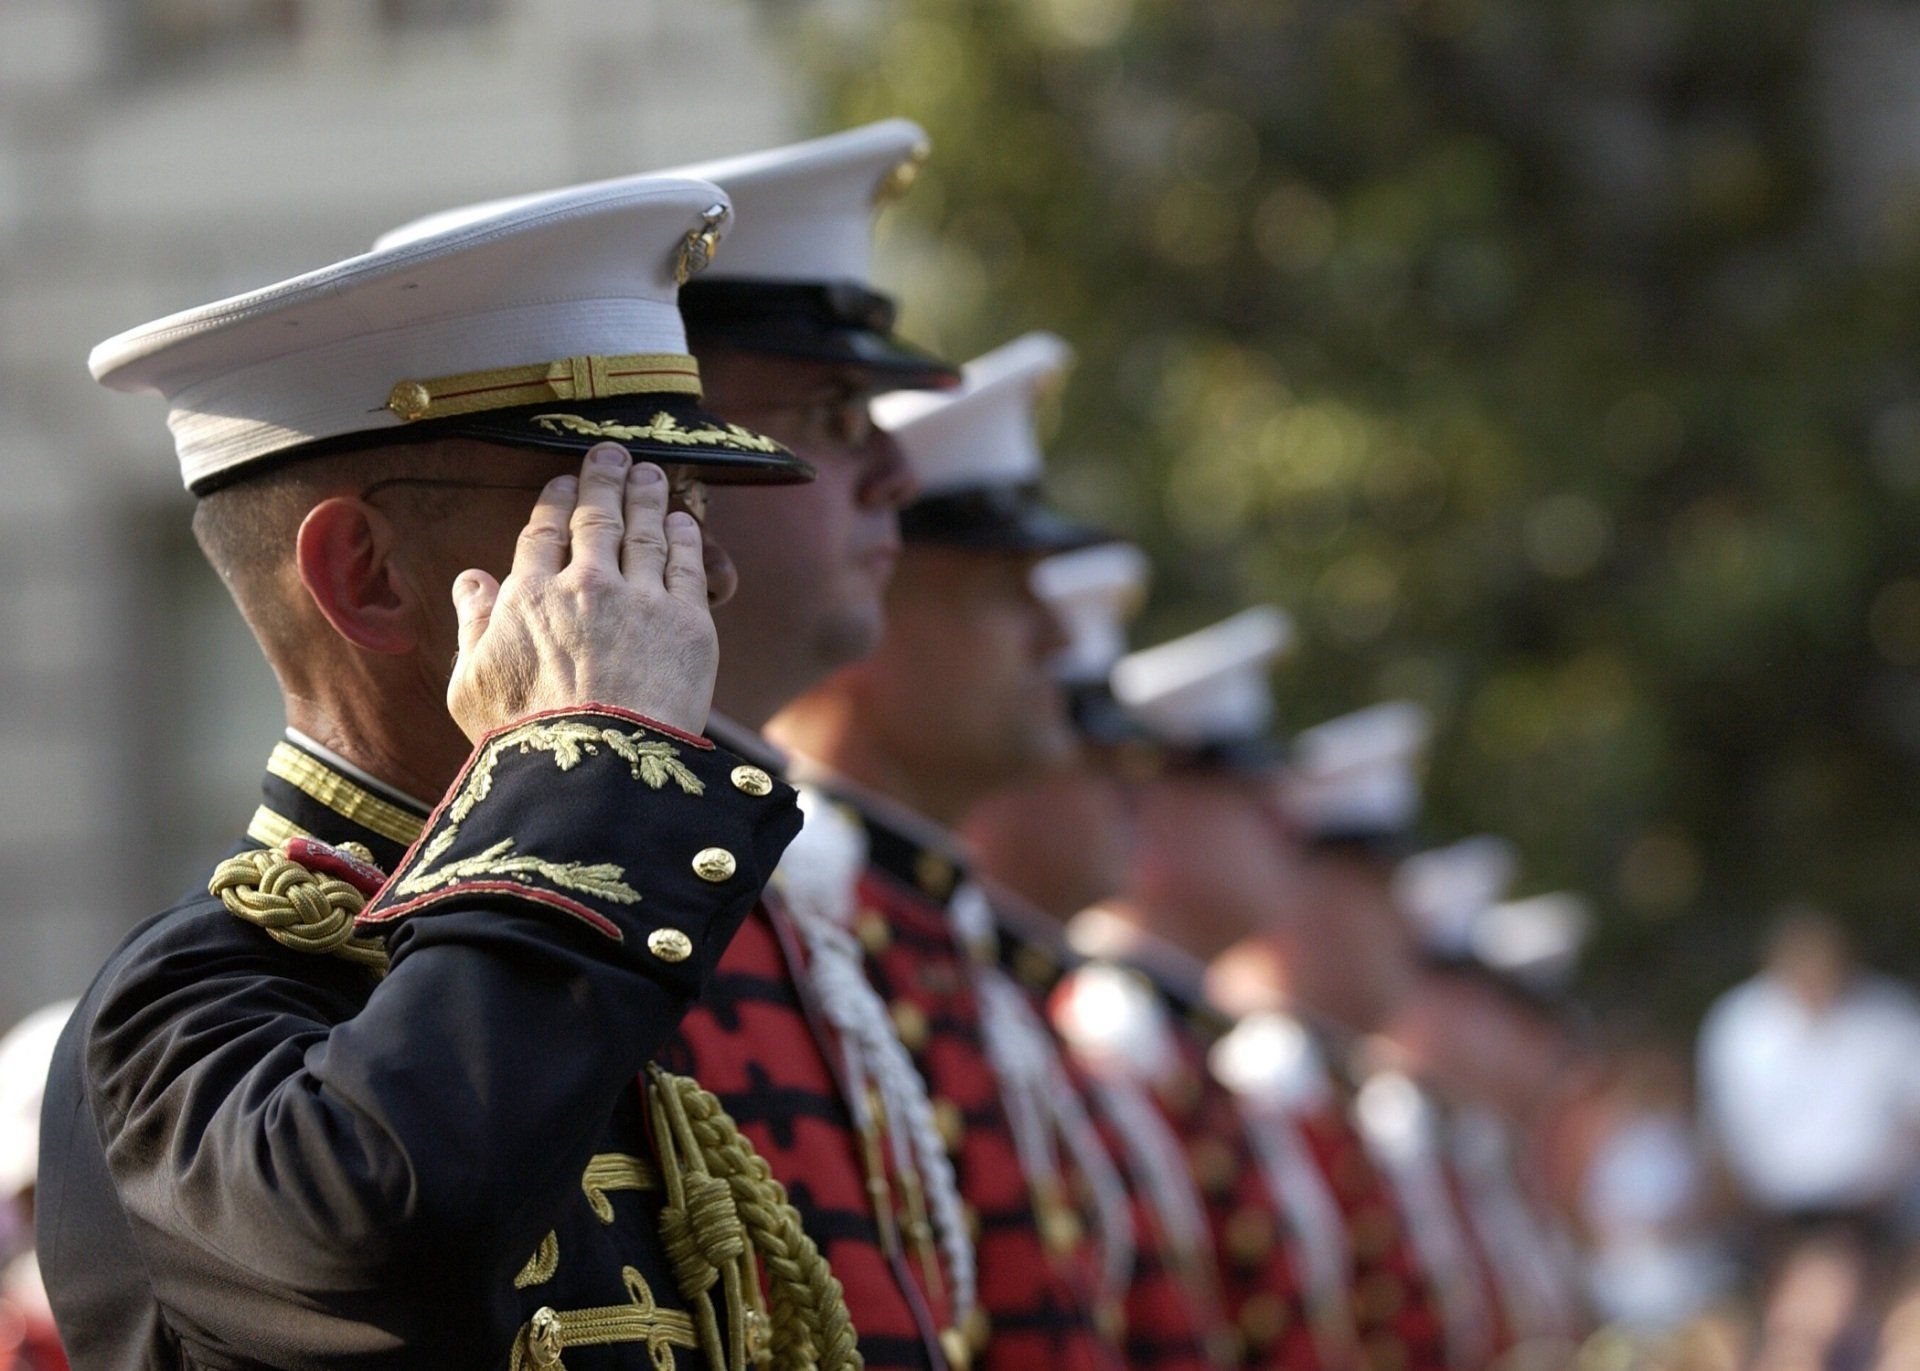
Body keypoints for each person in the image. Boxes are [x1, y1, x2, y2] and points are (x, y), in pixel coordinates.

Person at [38, 178, 838, 1370]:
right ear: (366, 575)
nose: (704, 575)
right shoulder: (188, 1006)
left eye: (686, 511)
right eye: (618, 515)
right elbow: (395, 1218)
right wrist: (582, 753)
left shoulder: (582, 964)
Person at [383, 125, 1120, 1371]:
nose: (896, 471)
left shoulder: (777, 888)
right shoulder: (542, 892)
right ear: (659, 445)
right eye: (835, 412)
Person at [1696, 907, 1920, 1362]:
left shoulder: (1891, 1018)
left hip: (1878, 1214)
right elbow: (1719, 1129)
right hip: (1769, 1217)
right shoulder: (1739, 1023)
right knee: (1794, 1344)